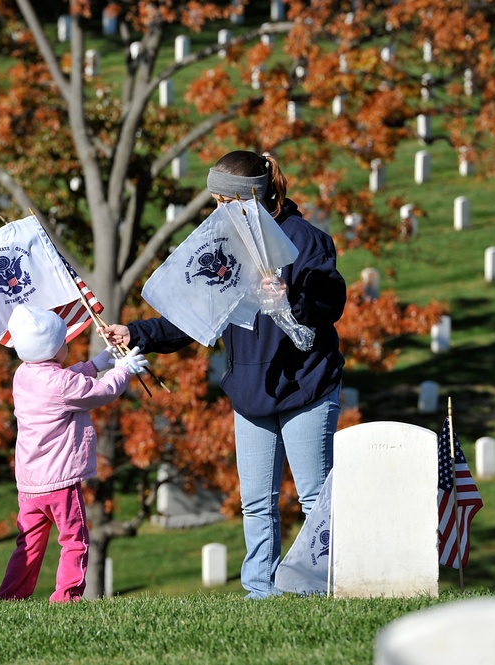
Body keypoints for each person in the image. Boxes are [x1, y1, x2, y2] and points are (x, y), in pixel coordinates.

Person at [102, 150, 347, 599]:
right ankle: (259, 591)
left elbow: (331, 302)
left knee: (315, 500)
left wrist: (292, 298)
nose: (217, 212)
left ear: (248, 199)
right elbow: (193, 318)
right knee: (256, 504)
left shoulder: (305, 239)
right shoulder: (224, 245)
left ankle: (321, 588)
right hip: (251, 393)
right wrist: (135, 332)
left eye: (223, 202)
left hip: (307, 387)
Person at [0, 304, 147, 603]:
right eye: (64, 341)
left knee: (28, 543)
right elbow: (99, 392)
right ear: (53, 349)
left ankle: (11, 596)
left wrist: (98, 362)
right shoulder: (61, 384)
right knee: (74, 540)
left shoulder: (24, 375)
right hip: (60, 481)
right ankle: (67, 597)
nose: (67, 345)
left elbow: (69, 380)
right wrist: (122, 371)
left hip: (29, 483)